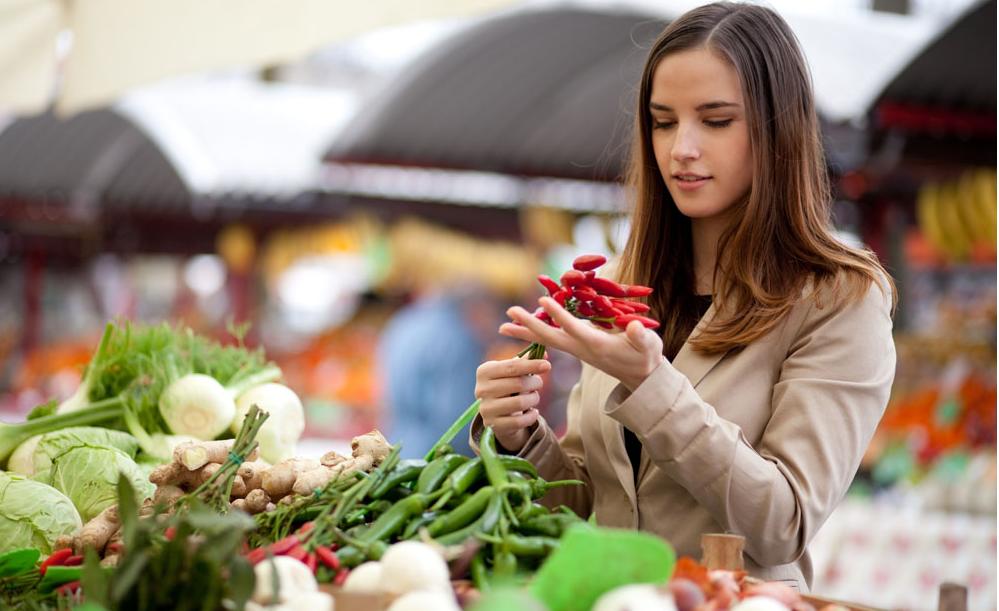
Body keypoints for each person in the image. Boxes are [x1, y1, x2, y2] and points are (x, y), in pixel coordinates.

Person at [470, 2, 896, 592]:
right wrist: (520, 436)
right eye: (663, 121)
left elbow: (783, 522)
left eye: (716, 121)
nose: (681, 149)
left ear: (779, 129)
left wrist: (653, 388)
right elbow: (585, 500)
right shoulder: (621, 282)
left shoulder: (839, 300)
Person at [379, 283, 501, 458]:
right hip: (436, 463)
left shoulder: (402, 322)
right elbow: (457, 421)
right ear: (475, 307)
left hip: (398, 450)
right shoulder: (457, 338)